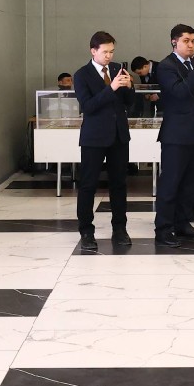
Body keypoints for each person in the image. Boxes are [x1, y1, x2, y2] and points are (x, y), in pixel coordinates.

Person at [71, 31, 136, 251]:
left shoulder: (118, 69)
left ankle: (120, 229)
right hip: (94, 137)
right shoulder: (82, 75)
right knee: (88, 185)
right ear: (93, 51)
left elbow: (129, 103)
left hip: (119, 135)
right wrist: (112, 88)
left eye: (112, 51)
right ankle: (86, 231)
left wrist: (129, 86)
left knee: (119, 184)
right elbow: (88, 106)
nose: (109, 56)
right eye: (105, 52)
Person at [153, 24, 194, 248]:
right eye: (186, 41)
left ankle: (182, 223)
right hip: (177, 135)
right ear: (174, 42)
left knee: (190, 182)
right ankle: (163, 229)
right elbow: (180, 92)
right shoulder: (166, 66)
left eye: (193, 41)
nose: (191, 45)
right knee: (171, 183)